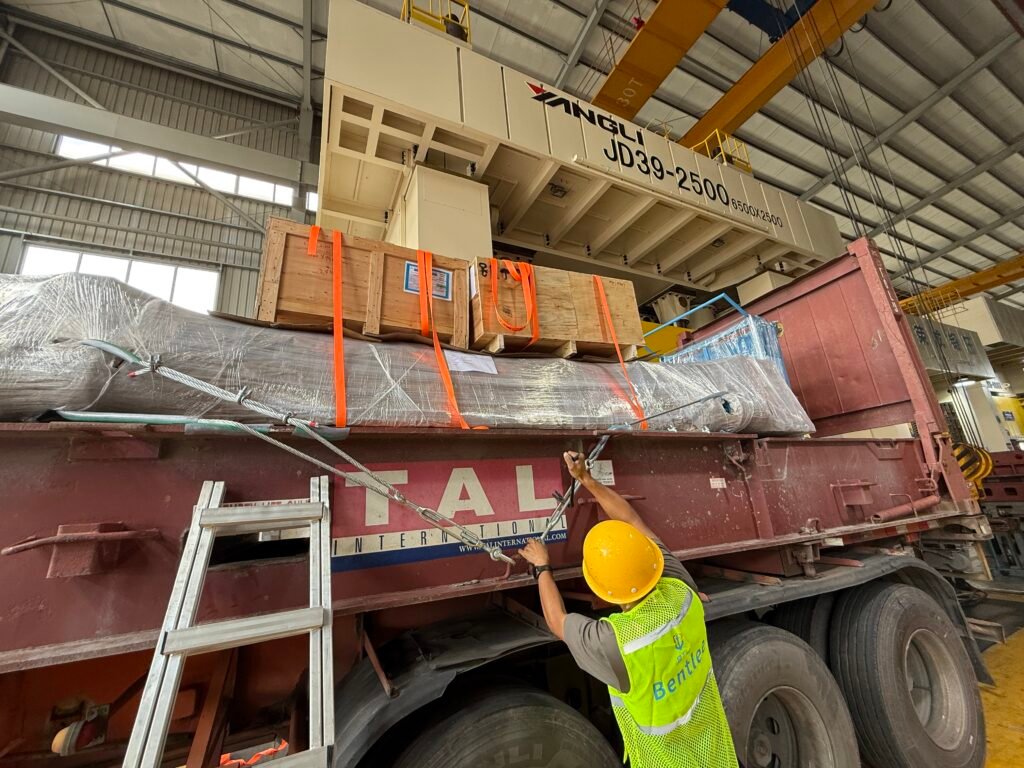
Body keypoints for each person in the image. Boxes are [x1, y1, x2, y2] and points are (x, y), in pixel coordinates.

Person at [518, 451, 738, 768]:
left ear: (601, 591)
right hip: (717, 754)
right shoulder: (682, 590)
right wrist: (586, 479)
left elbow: (556, 620)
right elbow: (633, 522)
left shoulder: (616, 643)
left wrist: (541, 567)